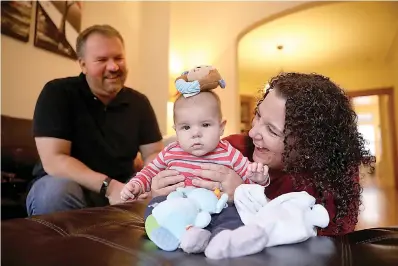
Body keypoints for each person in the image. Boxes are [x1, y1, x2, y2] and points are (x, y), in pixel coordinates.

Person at [144, 72, 373, 257]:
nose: (253, 132)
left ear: (309, 147)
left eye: (272, 130)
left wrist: (244, 195)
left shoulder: (333, 185)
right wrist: (159, 195)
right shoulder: (234, 148)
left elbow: (318, 248)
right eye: (257, 116)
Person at [26, 24, 163, 216]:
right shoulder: (57, 93)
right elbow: (54, 160)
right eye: (101, 60)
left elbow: (154, 153)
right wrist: (109, 187)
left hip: (122, 187)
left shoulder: (139, 102)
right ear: (83, 65)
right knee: (55, 193)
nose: (114, 67)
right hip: (70, 185)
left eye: (118, 58)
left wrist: (146, 183)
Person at [120, 91, 270, 201]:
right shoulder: (170, 152)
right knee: (153, 212)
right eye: (186, 127)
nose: (196, 133)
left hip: (217, 212)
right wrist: (136, 185)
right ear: (176, 130)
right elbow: (149, 172)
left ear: (221, 127)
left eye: (205, 124)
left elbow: (249, 185)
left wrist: (258, 179)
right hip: (178, 208)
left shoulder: (230, 154)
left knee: (232, 220)